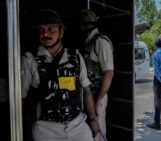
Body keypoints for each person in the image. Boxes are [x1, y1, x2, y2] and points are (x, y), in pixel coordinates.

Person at [21, 9, 99, 141]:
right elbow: (22, 98)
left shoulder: (75, 56)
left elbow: (86, 89)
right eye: (41, 30)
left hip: (77, 124)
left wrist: (92, 119)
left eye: (51, 29)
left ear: (61, 32)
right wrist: (24, 128)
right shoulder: (29, 59)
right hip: (45, 128)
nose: (45, 33)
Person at [79, 9, 114, 141]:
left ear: (83, 26)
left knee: (98, 132)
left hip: (97, 95)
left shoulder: (101, 42)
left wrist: (98, 100)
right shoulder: (89, 42)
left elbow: (109, 73)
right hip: (87, 96)